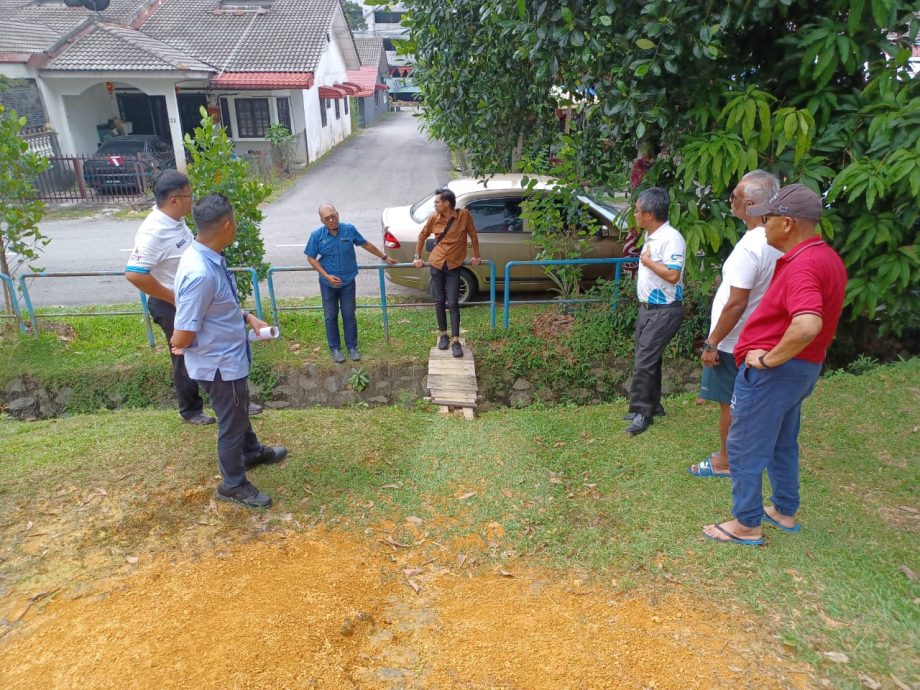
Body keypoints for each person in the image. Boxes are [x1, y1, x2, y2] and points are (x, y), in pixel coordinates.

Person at [703, 184, 846, 545]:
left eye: (766, 219)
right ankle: (784, 508)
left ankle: (746, 523)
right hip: (802, 370)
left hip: (778, 372)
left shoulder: (803, 265)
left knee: (745, 443)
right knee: (783, 440)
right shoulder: (826, 257)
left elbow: (808, 323)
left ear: (786, 223)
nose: (760, 225)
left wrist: (768, 358)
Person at [170, 194, 288, 509]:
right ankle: (233, 484)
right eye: (234, 221)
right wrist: (179, 342)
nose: (235, 226)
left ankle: (250, 453)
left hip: (228, 356)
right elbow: (183, 330)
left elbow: (220, 307)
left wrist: (247, 316)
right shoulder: (200, 273)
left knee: (237, 409)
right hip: (219, 364)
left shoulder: (209, 255)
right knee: (231, 422)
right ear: (226, 225)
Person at [125, 171, 261, 424]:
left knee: (215, 345)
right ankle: (191, 410)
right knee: (184, 353)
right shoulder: (153, 231)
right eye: (189, 195)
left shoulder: (177, 220)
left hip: (195, 296)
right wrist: (172, 298)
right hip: (172, 302)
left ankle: (234, 401)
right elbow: (134, 274)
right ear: (175, 200)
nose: (192, 200)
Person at [690, 170, 782, 478]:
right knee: (743, 401)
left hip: (733, 341)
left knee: (729, 404)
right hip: (756, 335)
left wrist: (711, 342)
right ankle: (741, 452)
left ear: (752, 204)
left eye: (735, 197)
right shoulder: (778, 238)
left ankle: (726, 461)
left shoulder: (751, 246)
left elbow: (737, 302)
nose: (731, 201)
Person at [624, 187, 686, 436]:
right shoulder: (653, 236)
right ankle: (653, 404)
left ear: (649, 214)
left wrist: (648, 262)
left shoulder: (671, 238)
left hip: (665, 310)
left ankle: (642, 413)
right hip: (648, 309)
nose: (635, 215)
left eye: (637, 211)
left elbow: (673, 275)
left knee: (644, 362)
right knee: (649, 359)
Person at [305, 203, 396, 363]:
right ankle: (335, 348)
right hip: (328, 285)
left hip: (347, 281)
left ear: (338, 214)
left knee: (349, 314)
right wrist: (326, 276)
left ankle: (352, 347)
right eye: (327, 218)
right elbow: (311, 257)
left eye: (333, 216)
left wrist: (384, 257)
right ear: (322, 220)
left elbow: (365, 244)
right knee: (330, 316)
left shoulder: (349, 229)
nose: (332, 220)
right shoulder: (316, 236)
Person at [412, 188, 482, 358]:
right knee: (439, 300)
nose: (435, 204)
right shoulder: (433, 218)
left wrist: (476, 256)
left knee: (453, 302)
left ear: (447, 203)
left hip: (453, 266)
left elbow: (473, 234)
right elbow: (422, 236)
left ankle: (456, 340)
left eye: (437, 202)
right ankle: (443, 334)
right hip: (437, 263)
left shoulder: (463, 215)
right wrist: (417, 257)